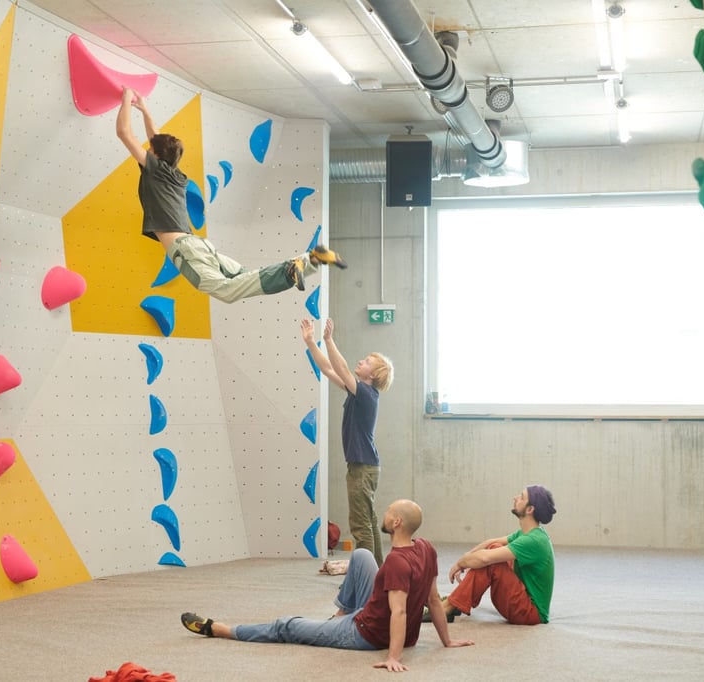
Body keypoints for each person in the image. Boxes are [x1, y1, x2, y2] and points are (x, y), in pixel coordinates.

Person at [180, 499, 474, 672]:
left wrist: (393, 657)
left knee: (288, 626)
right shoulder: (425, 547)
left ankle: (222, 630)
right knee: (362, 555)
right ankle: (340, 614)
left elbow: (399, 612)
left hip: (365, 633)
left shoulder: (397, 561)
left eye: (388, 511)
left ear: (396, 523)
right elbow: (433, 600)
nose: (384, 514)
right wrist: (446, 641)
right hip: (377, 614)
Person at [115, 86, 347, 303]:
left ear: (155, 156)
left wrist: (126, 97)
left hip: (185, 249)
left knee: (226, 291)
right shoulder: (175, 175)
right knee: (244, 277)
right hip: (197, 244)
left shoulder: (156, 169)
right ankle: (307, 262)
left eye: (149, 149)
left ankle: (298, 266)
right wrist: (144, 109)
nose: (146, 149)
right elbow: (156, 138)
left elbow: (124, 133)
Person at [301, 318, 393, 565]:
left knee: (361, 525)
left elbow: (340, 367)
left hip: (362, 468)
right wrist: (311, 343)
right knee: (368, 521)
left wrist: (328, 340)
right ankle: (376, 571)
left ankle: (366, 575)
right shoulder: (357, 391)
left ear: (373, 375)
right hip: (363, 466)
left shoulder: (366, 394)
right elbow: (328, 369)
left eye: (367, 362)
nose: (361, 361)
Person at [432, 485, 556, 626]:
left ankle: (448, 607)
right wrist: (465, 558)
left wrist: (462, 563)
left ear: (529, 509)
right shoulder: (528, 533)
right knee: (494, 548)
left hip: (530, 613)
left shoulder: (533, 540)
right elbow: (491, 542)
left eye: (521, 497)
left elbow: (485, 558)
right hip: (524, 602)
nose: (515, 498)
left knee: (492, 562)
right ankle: (453, 603)